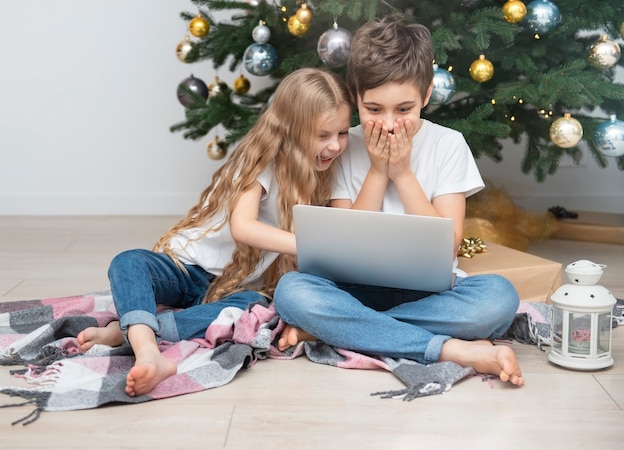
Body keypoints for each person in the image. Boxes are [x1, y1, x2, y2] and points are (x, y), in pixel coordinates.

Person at [273, 15, 524, 386]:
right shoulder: (344, 144)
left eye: (404, 110)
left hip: (430, 292)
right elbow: (345, 244)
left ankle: (342, 329)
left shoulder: (447, 144)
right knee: (291, 292)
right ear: (354, 96)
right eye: (373, 110)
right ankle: (450, 348)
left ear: (425, 95)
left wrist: (403, 173)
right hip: (354, 289)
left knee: (499, 298)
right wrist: (377, 171)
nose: (389, 125)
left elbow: (448, 245)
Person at [76, 68, 352, 396]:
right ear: (291, 128)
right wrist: (309, 246)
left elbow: (342, 228)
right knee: (128, 263)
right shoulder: (263, 161)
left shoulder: (327, 170)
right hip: (188, 269)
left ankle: (132, 333)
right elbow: (243, 227)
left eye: (343, 133)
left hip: (232, 286)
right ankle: (148, 352)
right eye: (322, 135)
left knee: (255, 307)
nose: (334, 145)